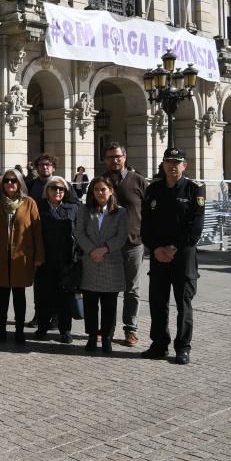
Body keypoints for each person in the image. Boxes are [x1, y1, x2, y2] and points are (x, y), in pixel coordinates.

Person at [140, 147, 205, 365]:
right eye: (169, 162)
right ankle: (159, 344)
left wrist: (174, 248)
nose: (172, 166)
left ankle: (183, 347)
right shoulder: (153, 190)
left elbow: (195, 228)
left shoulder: (194, 190)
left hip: (183, 256)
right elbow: (146, 225)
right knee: (158, 302)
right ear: (164, 164)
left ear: (184, 166)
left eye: (177, 162)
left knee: (183, 303)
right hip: (158, 255)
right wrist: (156, 248)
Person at [0, 169, 44, 344]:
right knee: (0, 297)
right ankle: (1, 330)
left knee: (19, 296)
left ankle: (19, 331)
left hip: (21, 256)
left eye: (14, 181)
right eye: (7, 181)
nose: (10, 184)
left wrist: (39, 255)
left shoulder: (29, 203)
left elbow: (37, 232)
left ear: (19, 183)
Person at [75, 177, 130, 354]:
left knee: (109, 304)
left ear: (111, 191)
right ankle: (92, 336)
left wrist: (104, 249)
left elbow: (122, 236)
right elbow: (79, 232)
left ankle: (107, 337)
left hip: (111, 262)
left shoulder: (120, 212)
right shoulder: (84, 209)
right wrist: (92, 250)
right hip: (91, 262)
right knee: (90, 303)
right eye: (96, 189)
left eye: (103, 189)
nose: (100, 193)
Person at [102, 142, 147, 347]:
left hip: (132, 244)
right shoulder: (101, 182)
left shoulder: (138, 181)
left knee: (132, 290)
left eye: (117, 156)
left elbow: (150, 212)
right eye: (110, 157)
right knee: (108, 289)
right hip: (108, 245)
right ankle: (106, 330)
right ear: (105, 160)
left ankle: (131, 330)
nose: (114, 160)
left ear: (125, 157)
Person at [35, 175, 79, 343]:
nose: (58, 191)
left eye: (61, 189)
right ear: (47, 190)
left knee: (65, 298)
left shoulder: (73, 208)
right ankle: (42, 327)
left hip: (67, 261)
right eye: (54, 188)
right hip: (44, 260)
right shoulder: (38, 208)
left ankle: (65, 330)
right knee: (43, 296)